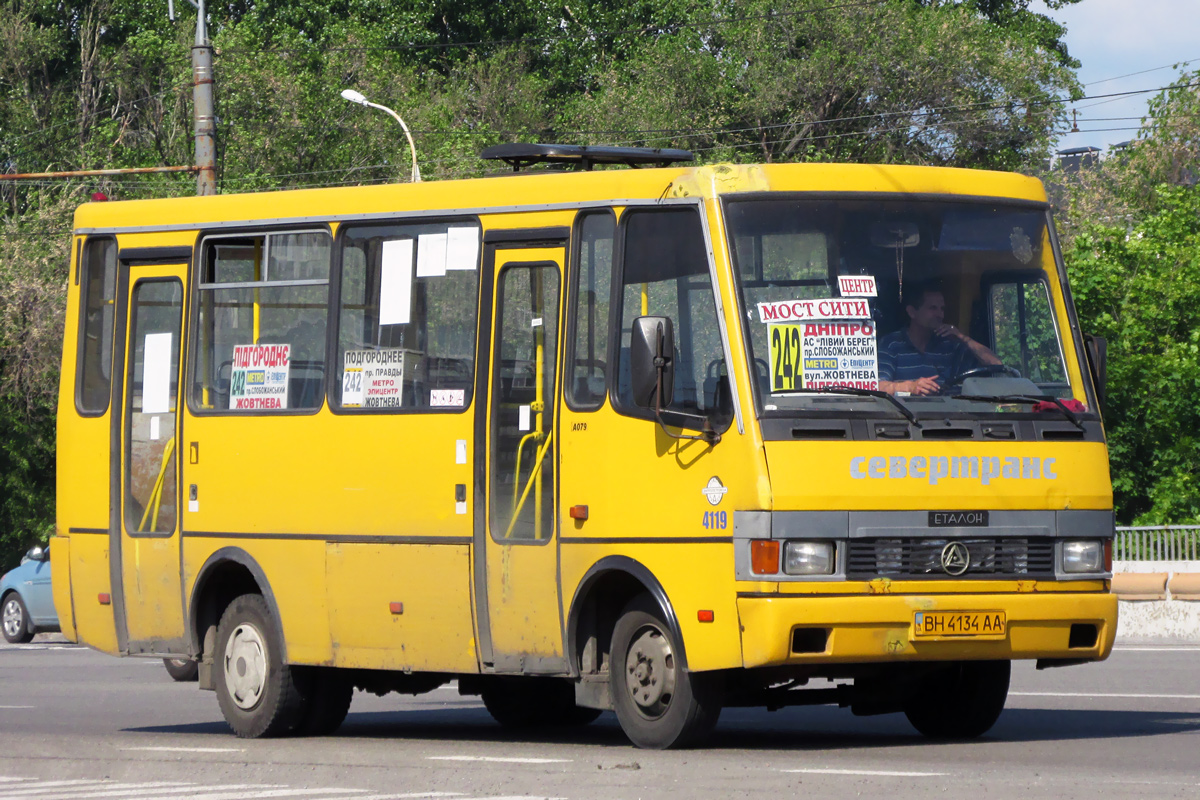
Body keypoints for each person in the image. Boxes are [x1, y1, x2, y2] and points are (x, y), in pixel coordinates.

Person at [878, 283, 1001, 396]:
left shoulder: (950, 345)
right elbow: (877, 386)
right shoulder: (891, 344)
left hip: (951, 416)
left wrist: (963, 338)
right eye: (933, 308)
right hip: (905, 417)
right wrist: (911, 387)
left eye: (942, 309)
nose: (940, 315)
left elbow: (996, 365)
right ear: (912, 312)